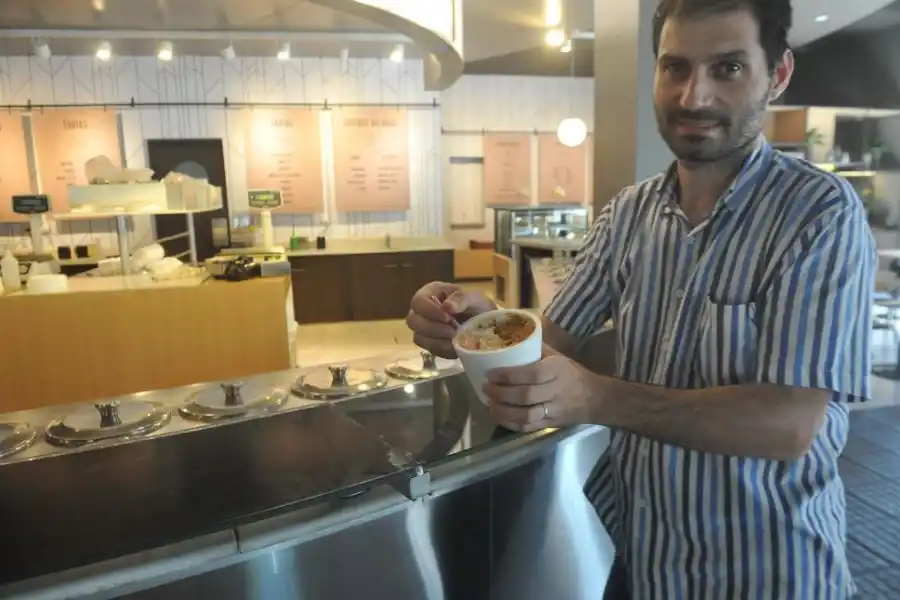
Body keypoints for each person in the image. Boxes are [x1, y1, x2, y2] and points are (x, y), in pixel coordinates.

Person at [407, 0, 876, 598]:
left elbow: (788, 424)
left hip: (767, 567)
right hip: (644, 560)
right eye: (675, 67)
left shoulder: (818, 214)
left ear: (777, 74)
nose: (693, 96)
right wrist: (481, 328)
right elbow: (552, 341)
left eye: (727, 68)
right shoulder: (630, 212)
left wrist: (598, 397)